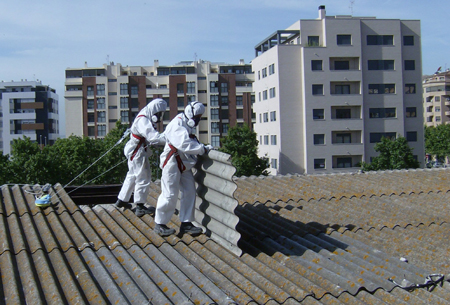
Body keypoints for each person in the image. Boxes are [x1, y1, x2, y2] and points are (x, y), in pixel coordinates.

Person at [154, 101, 213, 236]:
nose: (197, 120)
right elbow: (184, 144)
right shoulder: (177, 124)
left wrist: (200, 146)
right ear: (190, 114)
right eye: (197, 117)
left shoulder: (185, 122)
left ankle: (186, 223)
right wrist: (202, 149)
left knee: (189, 191)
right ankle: (160, 224)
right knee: (169, 194)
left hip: (182, 162)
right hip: (172, 162)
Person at [115, 98, 167, 217]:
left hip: (135, 150)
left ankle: (122, 200)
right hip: (137, 152)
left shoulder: (145, 116)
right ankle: (140, 205)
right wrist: (168, 139)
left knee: (132, 175)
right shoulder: (143, 120)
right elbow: (153, 138)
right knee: (143, 176)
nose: (159, 116)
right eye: (158, 114)